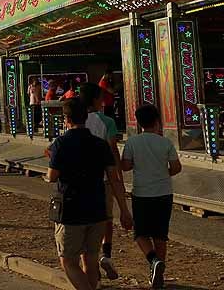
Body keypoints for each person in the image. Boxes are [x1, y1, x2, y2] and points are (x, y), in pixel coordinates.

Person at [46, 98, 131, 290]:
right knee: (91, 260)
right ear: (86, 117)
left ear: (66, 119)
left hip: (70, 209)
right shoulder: (100, 145)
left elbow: (52, 176)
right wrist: (124, 210)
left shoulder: (61, 143)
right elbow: (114, 179)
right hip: (97, 207)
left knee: (68, 261)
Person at [121, 103, 182, 289]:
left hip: (142, 193)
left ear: (139, 123)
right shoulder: (166, 142)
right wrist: (162, 174)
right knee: (160, 235)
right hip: (164, 193)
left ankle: (153, 261)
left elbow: (125, 166)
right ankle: (159, 273)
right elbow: (176, 167)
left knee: (140, 233)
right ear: (157, 121)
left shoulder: (132, 142)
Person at [78, 82, 126, 281]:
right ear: (97, 100)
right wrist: (119, 175)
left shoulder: (76, 120)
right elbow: (113, 150)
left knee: (83, 222)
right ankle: (106, 255)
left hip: (79, 180)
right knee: (106, 219)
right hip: (103, 179)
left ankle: (89, 266)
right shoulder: (107, 121)